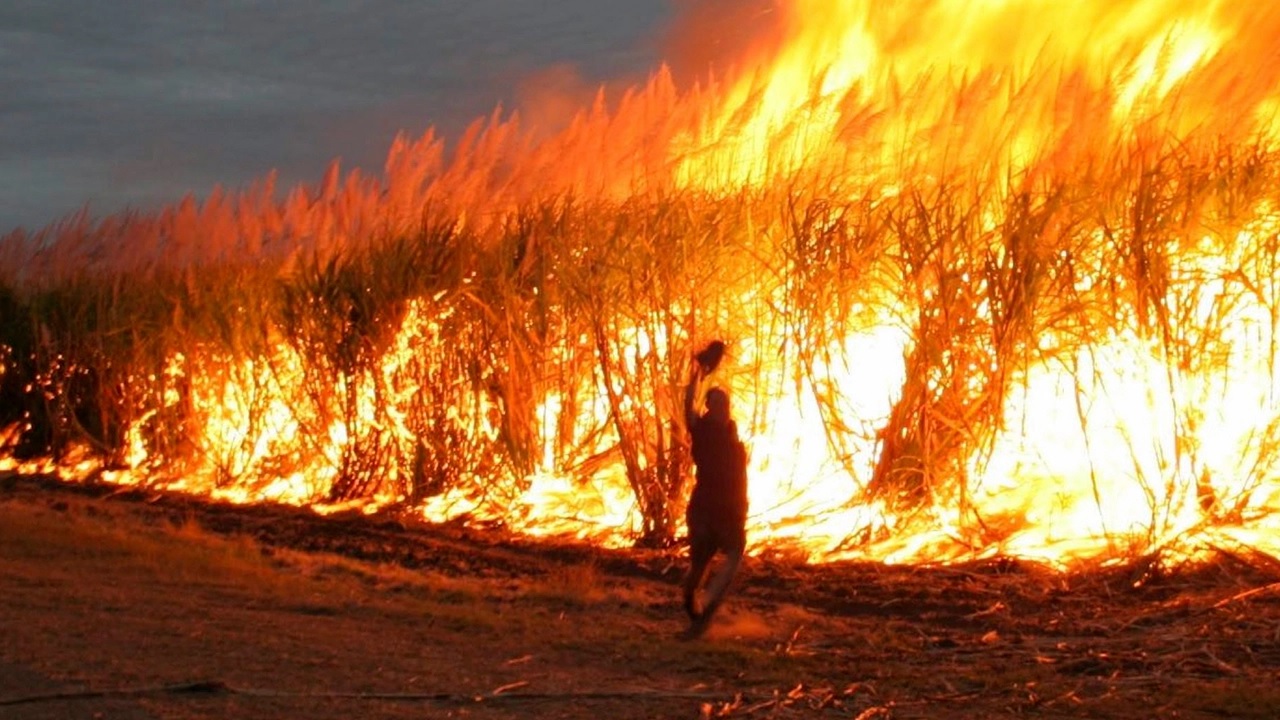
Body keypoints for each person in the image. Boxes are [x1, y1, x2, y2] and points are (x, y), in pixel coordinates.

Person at [680, 350, 749, 638]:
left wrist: (743, 506)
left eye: (726, 404)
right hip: (711, 508)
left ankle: (701, 609)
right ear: (709, 407)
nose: (723, 408)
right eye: (718, 404)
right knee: (703, 564)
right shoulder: (705, 431)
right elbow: (687, 405)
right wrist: (697, 373)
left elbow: (741, 476)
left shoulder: (730, 435)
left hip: (724, 509)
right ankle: (696, 605)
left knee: (729, 557)